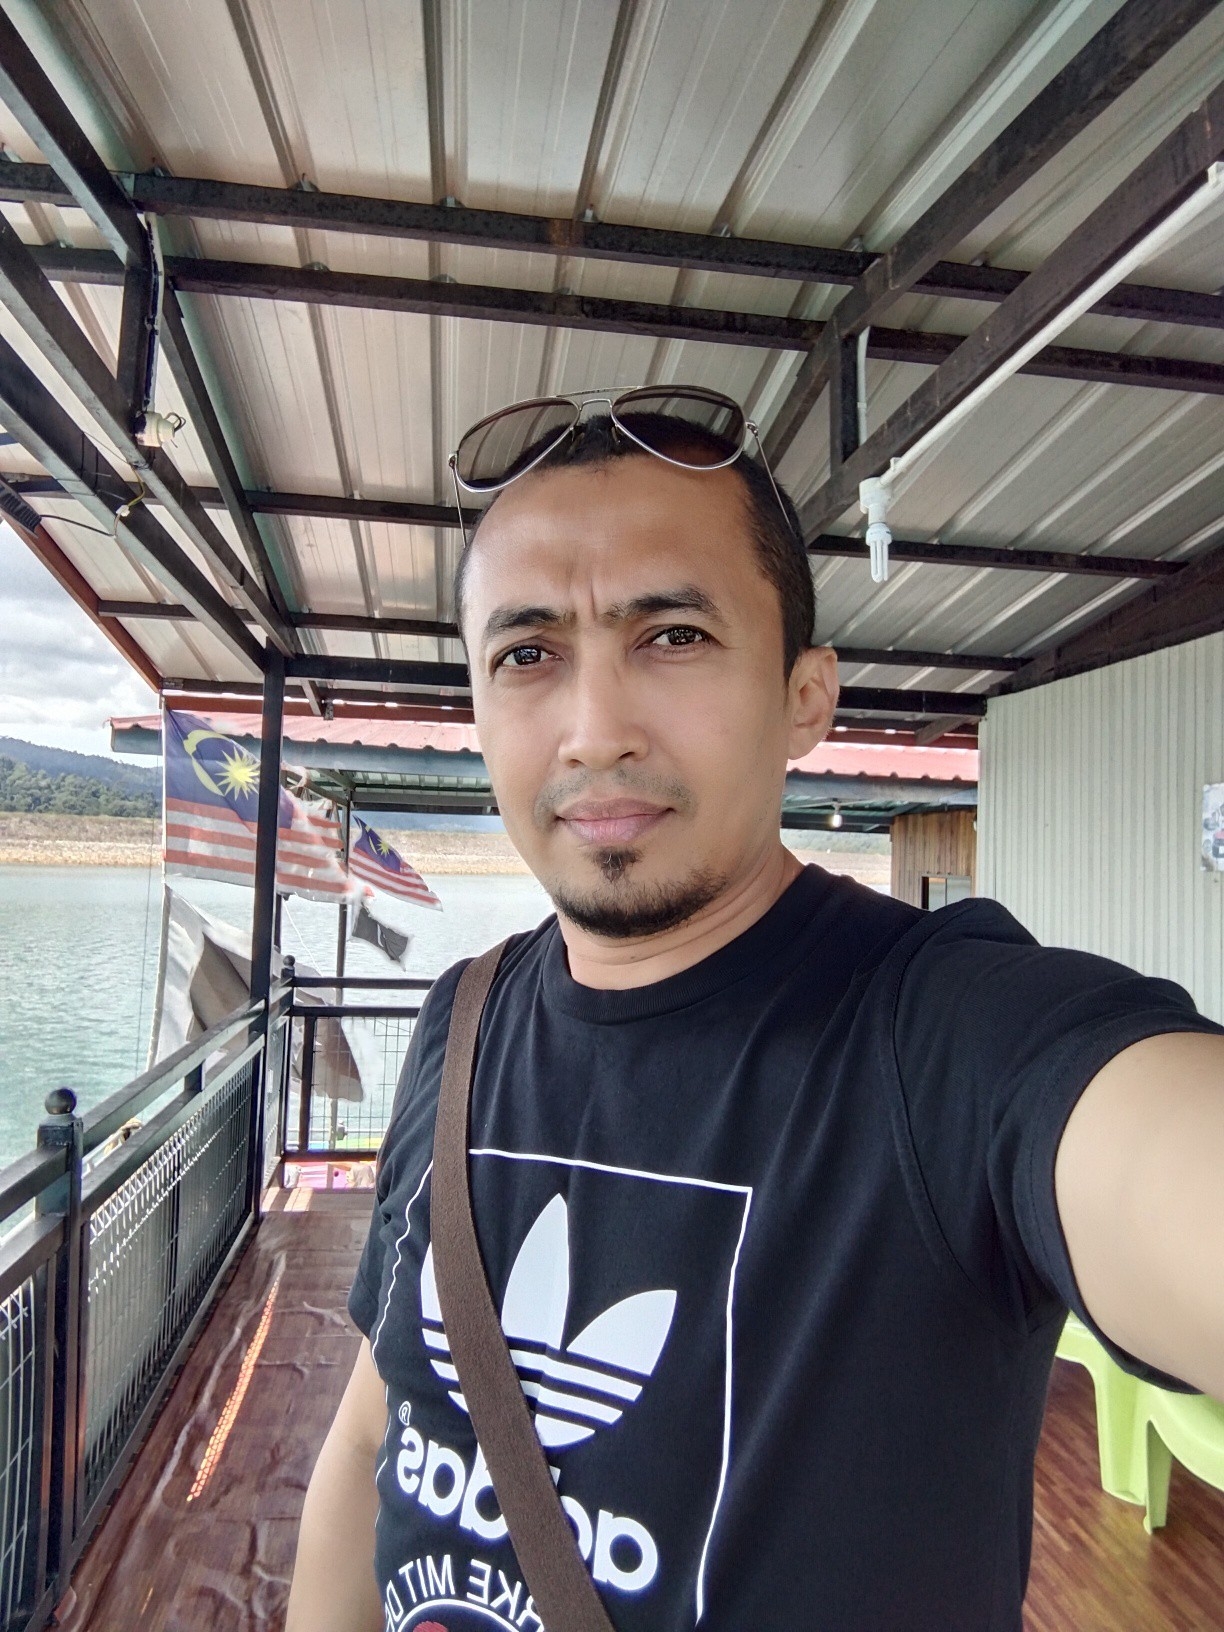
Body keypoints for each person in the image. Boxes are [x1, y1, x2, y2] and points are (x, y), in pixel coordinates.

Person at [286, 389, 1224, 1632]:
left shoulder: (947, 1039)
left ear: (805, 699)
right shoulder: (461, 1025)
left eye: (673, 635)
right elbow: (375, 1436)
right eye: (527, 655)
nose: (594, 732)